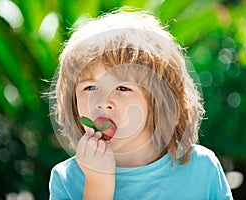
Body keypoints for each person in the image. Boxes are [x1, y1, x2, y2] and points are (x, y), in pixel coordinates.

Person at [49, 9, 233, 200]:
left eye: (122, 88)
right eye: (90, 87)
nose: (103, 103)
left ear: (159, 101)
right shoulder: (66, 179)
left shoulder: (201, 169)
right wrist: (98, 183)